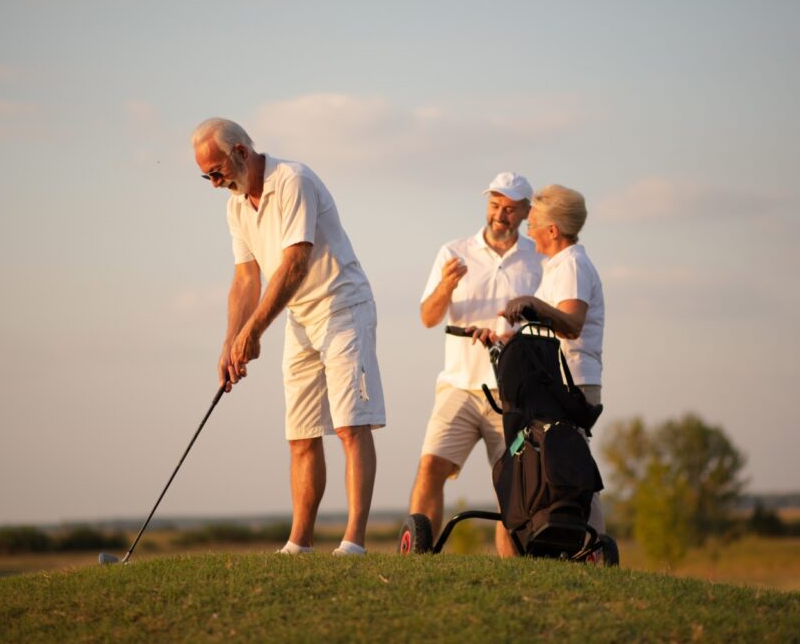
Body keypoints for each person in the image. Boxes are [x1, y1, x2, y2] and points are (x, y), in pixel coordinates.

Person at [191, 118, 385, 556]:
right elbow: (246, 279)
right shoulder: (236, 206)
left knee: (350, 426)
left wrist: (254, 332)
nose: (214, 183)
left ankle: (353, 542)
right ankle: (299, 543)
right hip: (299, 316)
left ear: (241, 151)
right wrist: (231, 342)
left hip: (343, 307)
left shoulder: (293, 180)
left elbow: (295, 263)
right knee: (300, 433)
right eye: (206, 176)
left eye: (216, 171)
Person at [409, 172, 544, 556]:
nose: (500, 215)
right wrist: (445, 287)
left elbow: (552, 319)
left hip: (514, 392)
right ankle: (417, 559)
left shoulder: (538, 257)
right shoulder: (453, 251)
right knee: (430, 467)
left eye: (510, 209)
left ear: (525, 212)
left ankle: (513, 576)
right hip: (459, 386)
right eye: (494, 205)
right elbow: (428, 316)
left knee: (513, 489)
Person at [498, 184, 607, 538]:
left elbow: (572, 324)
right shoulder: (559, 266)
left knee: (571, 470)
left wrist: (532, 302)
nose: (528, 233)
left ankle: (593, 547)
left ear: (552, 230)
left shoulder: (573, 265)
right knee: (555, 468)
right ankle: (571, 546)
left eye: (532, 226)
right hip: (555, 380)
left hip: (571, 382)